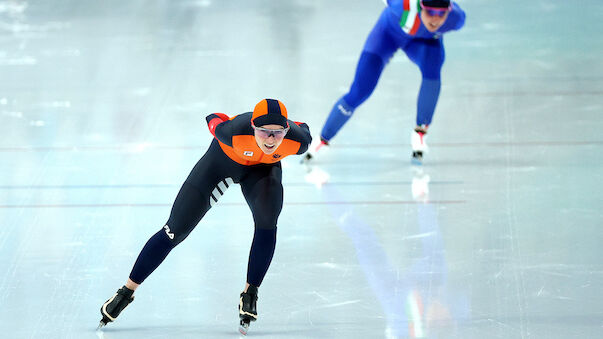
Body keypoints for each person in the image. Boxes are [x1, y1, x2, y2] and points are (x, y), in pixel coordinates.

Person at [98, 99, 312, 335]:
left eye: (277, 133)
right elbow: (214, 117)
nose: (270, 140)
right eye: (263, 132)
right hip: (220, 164)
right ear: (253, 127)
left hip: (262, 172)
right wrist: (222, 119)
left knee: (267, 221)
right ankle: (125, 292)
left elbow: (303, 126)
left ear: (286, 131)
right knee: (174, 231)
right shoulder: (232, 132)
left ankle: (250, 293)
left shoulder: (298, 142)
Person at [303, 0, 466, 164]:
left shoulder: (456, 19)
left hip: (423, 43)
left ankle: (420, 133)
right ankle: (323, 138)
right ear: (420, 7)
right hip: (387, 36)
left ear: (449, 10)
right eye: (430, 12)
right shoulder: (402, 5)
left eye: (441, 14)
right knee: (360, 91)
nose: (435, 19)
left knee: (433, 68)